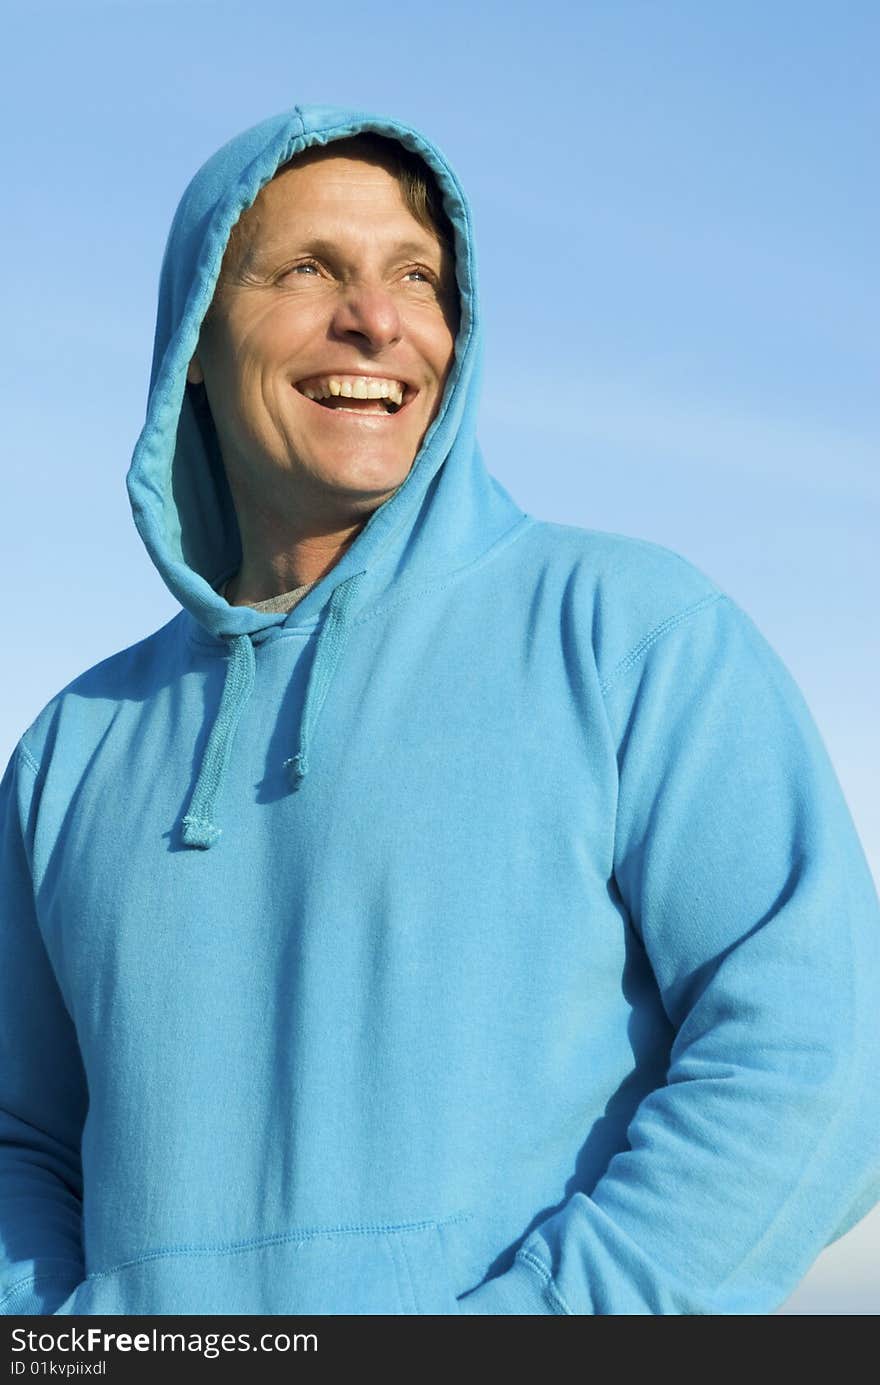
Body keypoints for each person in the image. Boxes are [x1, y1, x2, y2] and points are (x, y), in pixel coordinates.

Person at [1, 103, 879, 1320]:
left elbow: (817, 1056)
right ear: (193, 334)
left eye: (418, 274)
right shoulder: (70, 747)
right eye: (310, 268)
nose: (377, 318)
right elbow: (19, 1141)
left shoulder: (627, 629)